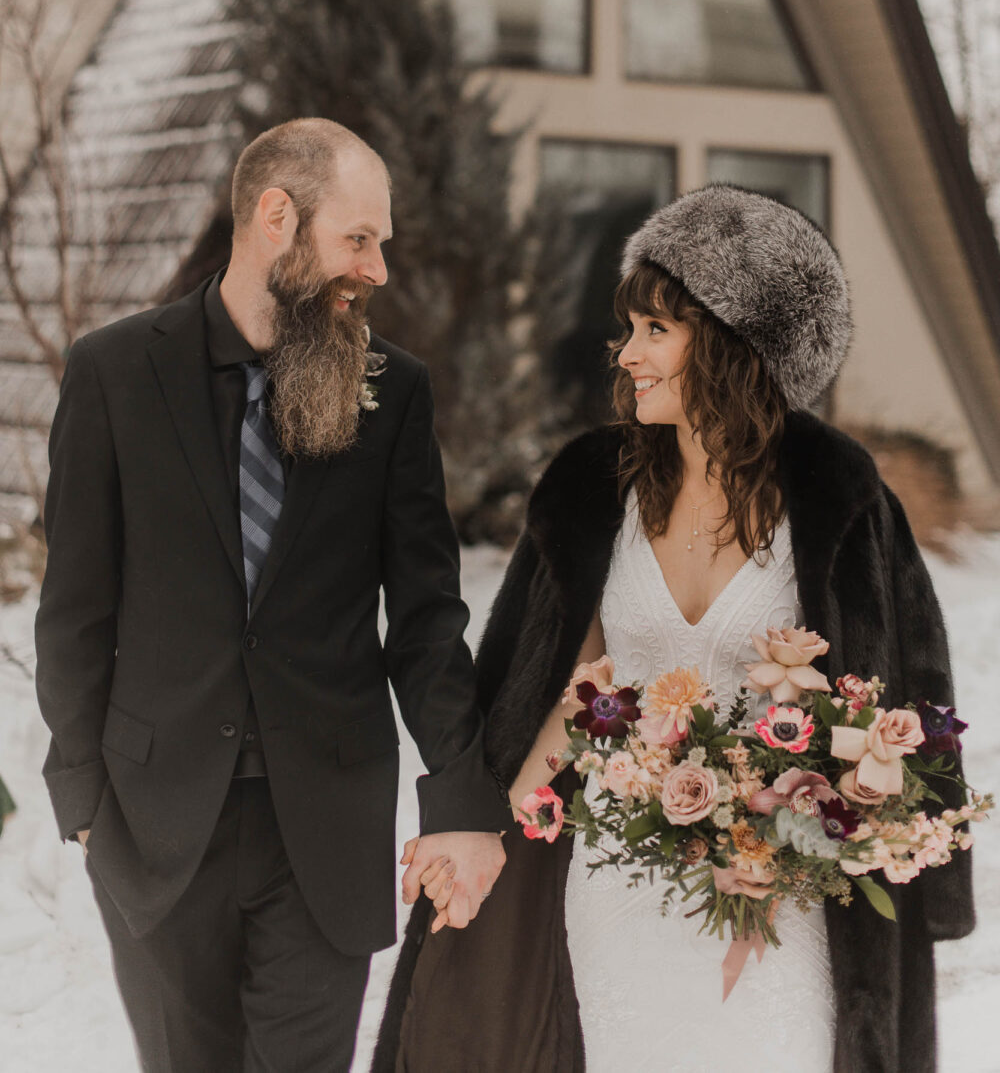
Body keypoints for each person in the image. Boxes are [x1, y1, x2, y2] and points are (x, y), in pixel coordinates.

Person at [375, 184, 974, 1073]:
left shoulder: (840, 499)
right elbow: (569, 696)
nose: (627, 354)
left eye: (657, 330)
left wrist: (846, 835)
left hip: (784, 892)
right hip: (622, 883)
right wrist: (482, 833)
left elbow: (902, 701)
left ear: (736, 343)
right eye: (631, 329)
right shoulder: (593, 487)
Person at [35, 118, 507, 1073]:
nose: (377, 268)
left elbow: (425, 619)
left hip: (324, 833)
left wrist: (460, 796)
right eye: (359, 238)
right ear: (275, 217)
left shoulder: (393, 390)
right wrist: (80, 792)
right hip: (154, 827)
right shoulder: (114, 372)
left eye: (384, 243)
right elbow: (76, 605)